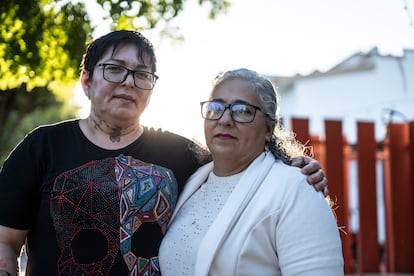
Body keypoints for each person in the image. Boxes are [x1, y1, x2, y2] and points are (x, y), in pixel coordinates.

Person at [0, 31, 328, 276]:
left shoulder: (183, 156)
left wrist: (296, 168)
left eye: (141, 75)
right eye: (115, 69)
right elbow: (5, 241)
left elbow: (240, 164)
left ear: (151, 89)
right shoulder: (41, 148)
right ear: (86, 81)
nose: (128, 82)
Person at [159, 68, 344, 275]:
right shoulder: (189, 179)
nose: (225, 119)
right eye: (215, 107)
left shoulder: (296, 189)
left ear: (268, 129)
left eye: (243, 110)